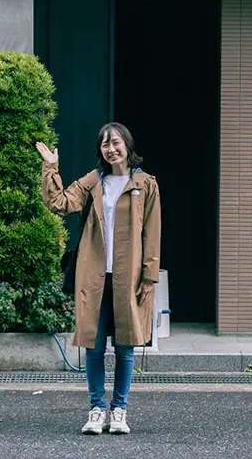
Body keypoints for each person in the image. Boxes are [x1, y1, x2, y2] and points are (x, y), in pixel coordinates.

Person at [37, 123, 161, 436]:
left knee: (125, 347)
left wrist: (149, 275)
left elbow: (153, 232)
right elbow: (59, 203)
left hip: (129, 278)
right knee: (93, 347)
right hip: (94, 276)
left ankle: (118, 410)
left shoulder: (145, 184)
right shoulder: (94, 181)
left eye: (116, 142)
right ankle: (96, 409)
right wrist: (51, 166)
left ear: (127, 145)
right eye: (105, 144)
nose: (111, 149)